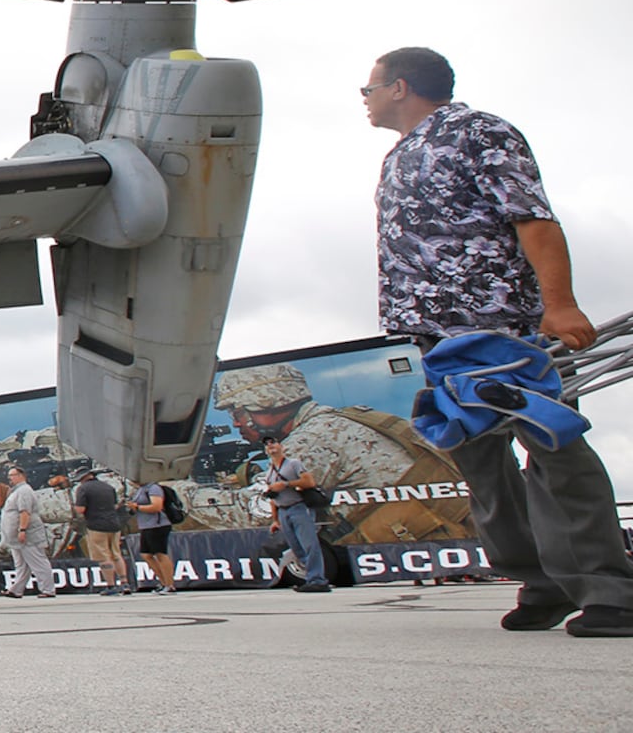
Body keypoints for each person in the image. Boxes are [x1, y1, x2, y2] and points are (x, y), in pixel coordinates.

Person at [364, 46, 632, 637]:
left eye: (370, 89)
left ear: (401, 87)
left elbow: (532, 218)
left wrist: (559, 304)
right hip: (436, 340)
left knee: (552, 445)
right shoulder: (398, 156)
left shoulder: (478, 132)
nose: (366, 99)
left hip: (499, 326)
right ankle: (541, 580)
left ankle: (610, 589)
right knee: (479, 460)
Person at [211, 363, 465, 542]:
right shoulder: (347, 419)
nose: (236, 423)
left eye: (238, 412)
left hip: (420, 537)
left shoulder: (316, 438)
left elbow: (254, 512)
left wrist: (180, 493)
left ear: (267, 403)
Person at [260, 435, 332, 593]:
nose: (270, 445)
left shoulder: (293, 464)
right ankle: (311, 577)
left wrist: (286, 484)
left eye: (273, 442)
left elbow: (309, 482)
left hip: (298, 508)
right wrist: (275, 520)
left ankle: (318, 580)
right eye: (267, 444)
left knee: (309, 545)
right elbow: (273, 499)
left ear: (281, 446)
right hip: (284, 512)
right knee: (296, 549)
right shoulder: (270, 472)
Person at [0, 466, 56, 598]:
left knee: (37, 561)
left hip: (28, 534)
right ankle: (16, 590)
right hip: (15, 536)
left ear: (21, 475)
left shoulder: (25, 491)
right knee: (21, 565)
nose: (10, 478)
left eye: (12, 475)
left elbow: (25, 512)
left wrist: (22, 530)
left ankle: (48, 589)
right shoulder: (15, 491)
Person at [71, 468, 126, 595]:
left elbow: (80, 509)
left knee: (103, 557)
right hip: (114, 524)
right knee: (116, 554)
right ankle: (125, 583)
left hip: (96, 525)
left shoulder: (83, 489)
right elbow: (115, 505)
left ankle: (111, 586)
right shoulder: (108, 487)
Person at [126, 481, 177, 594]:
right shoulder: (140, 490)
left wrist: (138, 507)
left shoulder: (153, 488)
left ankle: (169, 584)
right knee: (146, 554)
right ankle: (163, 582)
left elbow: (156, 506)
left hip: (158, 524)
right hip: (145, 525)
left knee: (160, 553)